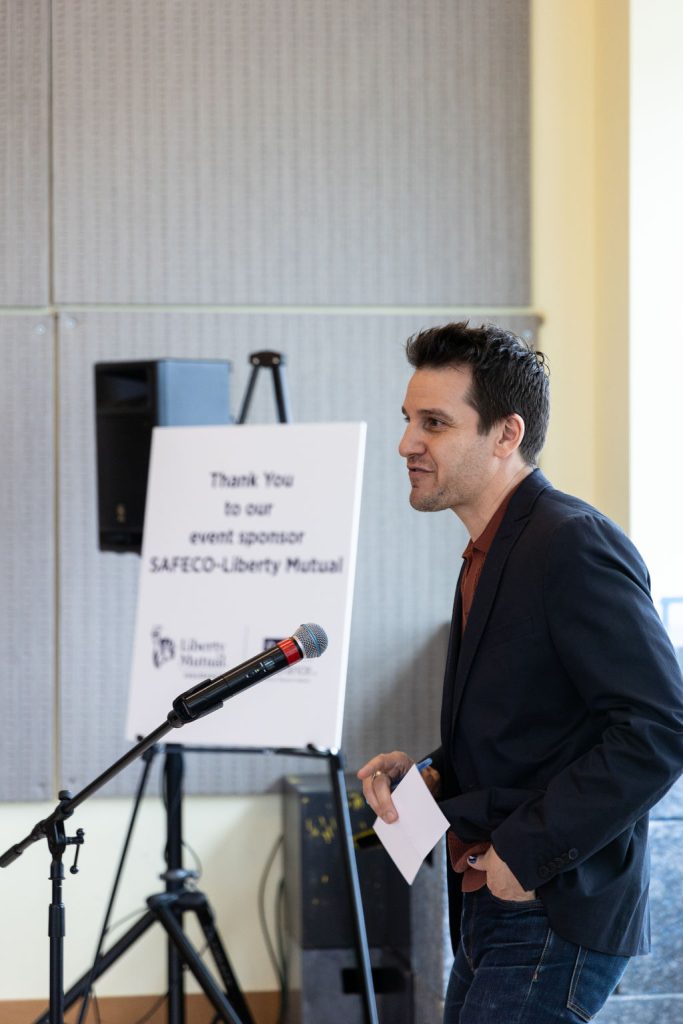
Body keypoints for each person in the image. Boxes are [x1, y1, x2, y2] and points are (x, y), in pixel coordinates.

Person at [357, 321, 683, 1023]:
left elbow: (659, 729)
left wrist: (524, 852)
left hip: (548, 902)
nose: (406, 443)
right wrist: (432, 773)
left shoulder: (570, 543)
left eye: (434, 423)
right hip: (494, 902)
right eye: (408, 420)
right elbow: (535, 723)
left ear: (506, 434)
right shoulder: (490, 547)